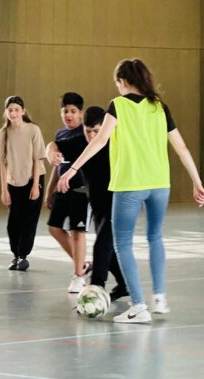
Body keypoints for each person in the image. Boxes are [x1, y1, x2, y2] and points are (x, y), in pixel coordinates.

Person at [57, 58, 204, 323]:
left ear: (123, 82)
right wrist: (197, 181)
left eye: (117, 83)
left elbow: (100, 141)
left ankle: (139, 306)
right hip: (160, 184)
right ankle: (159, 297)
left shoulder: (118, 105)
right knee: (155, 237)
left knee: (123, 242)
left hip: (130, 185)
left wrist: (71, 170)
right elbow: (181, 147)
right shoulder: (159, 106)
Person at [47, 106, 128, 300]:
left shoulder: (118, 142)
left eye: (97, 131)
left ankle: (95, 289)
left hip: (119, 202)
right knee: (108, 248)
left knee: (101, 245)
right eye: (88, 131)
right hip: (98, 203)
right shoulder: (79, 142)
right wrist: (51, 153)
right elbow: (54, 145)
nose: (92, 136)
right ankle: (125, 284)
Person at [0, 96, 46, 271]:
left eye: (16, 109)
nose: (13, 113)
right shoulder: (3, 134)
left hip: (33, 179)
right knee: (13, 223)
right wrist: (4, 190)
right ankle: (16, 255)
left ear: (23, 111)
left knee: (29, 221)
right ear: (6, 112)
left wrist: (36, 185)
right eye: (10, 110)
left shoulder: (33, 130)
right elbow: (3, 164)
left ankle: (23, 256)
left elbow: (37, 159)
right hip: (13, 182)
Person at [45, 92, 90, 293]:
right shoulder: (60, 134)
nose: (69, 115)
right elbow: (57, 165)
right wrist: (49, 190)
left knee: (77, 231)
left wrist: (51, 147)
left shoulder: (84, 134)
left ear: (81, 113)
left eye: (73, 111)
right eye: (65, 111)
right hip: (62, 189)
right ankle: (84, 264)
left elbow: (60, 148)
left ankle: (78, 276)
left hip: (81, 189)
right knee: (53, 227)